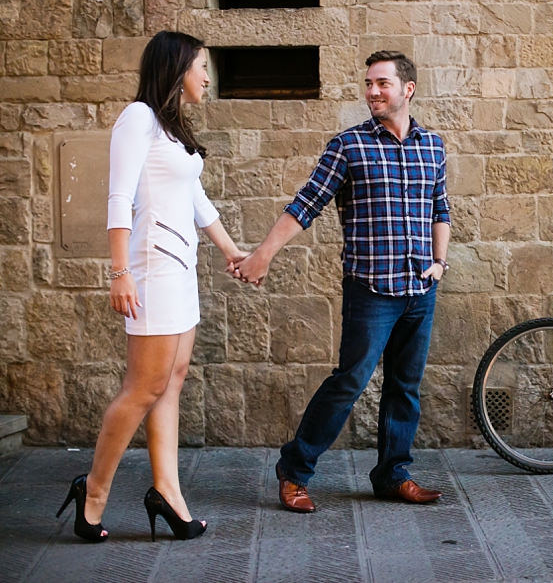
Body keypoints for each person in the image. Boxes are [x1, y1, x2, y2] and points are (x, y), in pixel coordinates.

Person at [232, 50, 451, 511]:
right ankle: (293, 471)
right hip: (370, 290)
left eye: (382, 83)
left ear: (407, 89)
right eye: (369, 83)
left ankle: (393, 474)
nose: (372, 91)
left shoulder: (433, 145)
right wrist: (263, 255)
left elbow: (441, 209)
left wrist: (439, 263)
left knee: (405, 388)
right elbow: (306, 204)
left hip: (419, 289)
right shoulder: (348, 146)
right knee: (349, 382)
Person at [57, 31, 248, 542]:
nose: (207, 77)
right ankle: (93, 492)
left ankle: (167, 492)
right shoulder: (137, 118)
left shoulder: (171, 127)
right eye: (202, 66)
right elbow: (118, 198)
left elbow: (195, 196)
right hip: (149, 268)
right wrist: (119, 273)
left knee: (173, 378)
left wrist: (232, 251)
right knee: (142, 387)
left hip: (181, 269)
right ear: (178, 67)